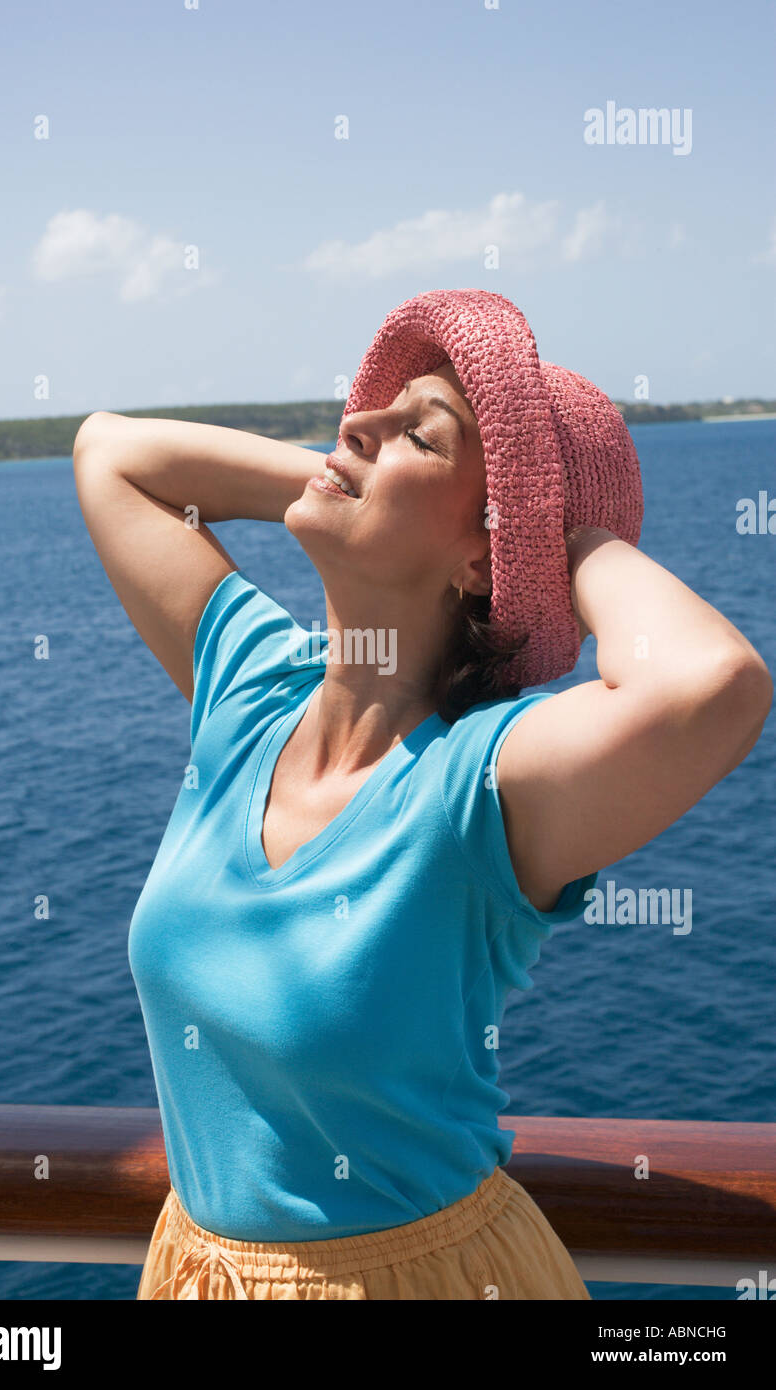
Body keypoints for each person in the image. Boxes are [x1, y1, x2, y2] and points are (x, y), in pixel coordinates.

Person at [72, 290, 771, 1300]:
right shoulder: (250, 692)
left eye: (418, 434)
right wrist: (352, 479)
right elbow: (111, 454)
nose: (354, 424)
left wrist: (551, 536)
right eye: (373, 415)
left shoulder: (470, 790)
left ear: (487, 551)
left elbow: (711, 687)